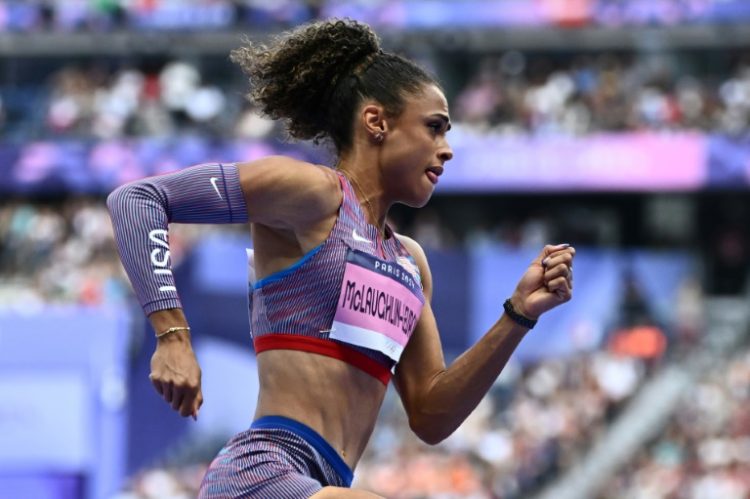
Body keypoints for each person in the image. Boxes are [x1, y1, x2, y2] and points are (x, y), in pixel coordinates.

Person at [107, 18, 575, 499]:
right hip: (261, 473)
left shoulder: (410, 264)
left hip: (324, 485)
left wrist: (518, 314)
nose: (447, 150)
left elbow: (432, 416)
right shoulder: (312, 195)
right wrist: (171, 334)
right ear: (377, 122)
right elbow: (137, 201)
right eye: (434, 128)